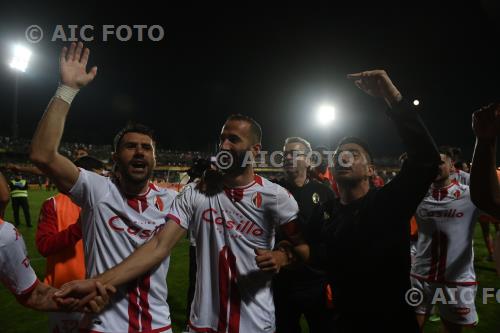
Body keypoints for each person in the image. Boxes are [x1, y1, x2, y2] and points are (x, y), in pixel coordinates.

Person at [56, 113, 309, 333]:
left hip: (255, 325)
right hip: (201, 324)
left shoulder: (276, 198)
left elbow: (303, 249)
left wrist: (281, 257)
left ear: (255, 150)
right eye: (222, 138)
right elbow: (159, 245)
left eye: (233, 139)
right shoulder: (196, 193)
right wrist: (98, 282)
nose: (224, 145)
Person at [29, 42, 178, 333]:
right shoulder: (96, 189)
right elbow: (42, 154)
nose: (139, 152)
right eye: (130, 147)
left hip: (159, 326)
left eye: (146, 148)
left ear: (155, 158)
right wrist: (67, 89)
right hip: (103, 326)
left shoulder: (173, 201)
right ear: (115, 158)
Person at [308, 69, 440, 332]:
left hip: (391, 323)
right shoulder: (325, 212)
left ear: (371, 170)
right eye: (340, 155)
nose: (343, 158)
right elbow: (313, 256)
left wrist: (392, 97)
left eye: (353, 154)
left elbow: (426, 159)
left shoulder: (388, 203)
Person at [411, 147, 480, 333]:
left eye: (440, 162)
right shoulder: (416, 196)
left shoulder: (470, 195)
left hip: (456, 280)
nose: (435, 166)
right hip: (420, 276)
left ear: (451, 167)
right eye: (432, 162)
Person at [36, 156, 105, 333]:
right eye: (97, 178)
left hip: (103, 291)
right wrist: (77, 230)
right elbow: (44, 246)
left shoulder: (107, 204)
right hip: (67, 294)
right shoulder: (54, 204)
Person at [273, 136, 335, 333]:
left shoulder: (324, 193)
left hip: (316, 283)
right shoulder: (270, 190)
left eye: (294, 153)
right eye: (285, 154)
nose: (287, 157)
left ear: (309, 161)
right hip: (281, 283)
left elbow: (332, 239)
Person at [0, 216, 113, 312]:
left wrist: (80, 300)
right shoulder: (5, 235)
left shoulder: (4, 235)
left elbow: (35, 294)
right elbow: (45, 245)